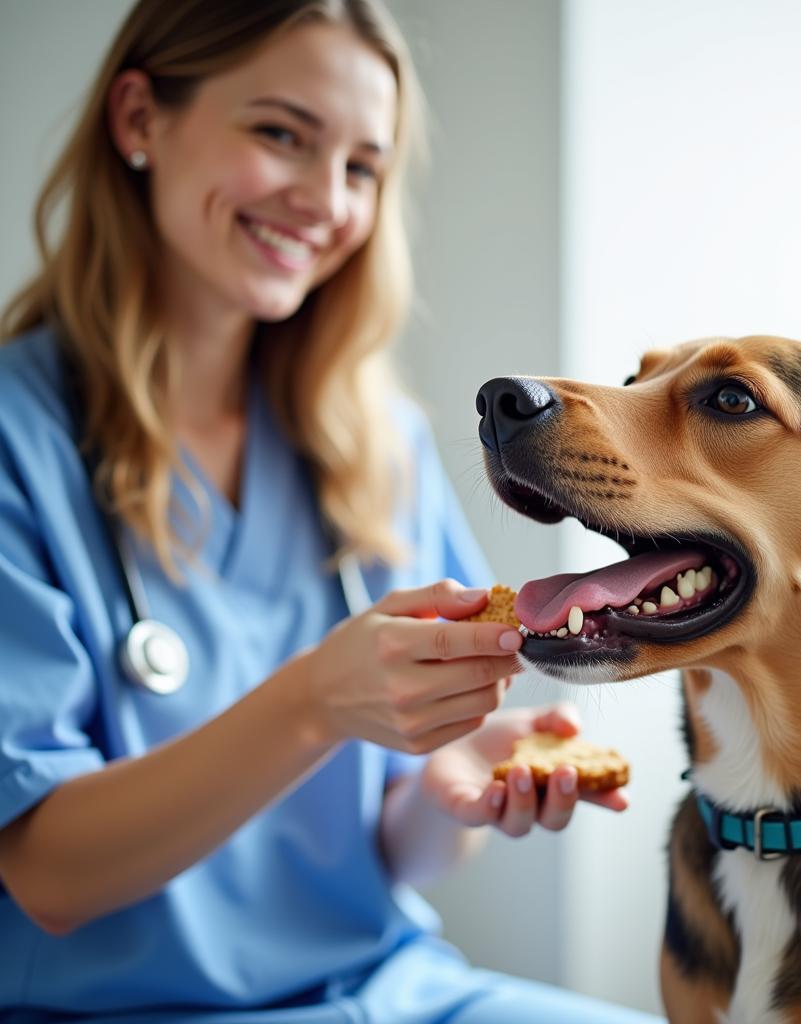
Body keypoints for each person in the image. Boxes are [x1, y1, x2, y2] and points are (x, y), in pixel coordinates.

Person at [0, 1, 664, 1022]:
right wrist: (314, 699)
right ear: (139, 119)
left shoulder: (374, 441)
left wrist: (455, 793)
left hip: (387, 988)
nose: (323, 199)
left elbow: (393, 841)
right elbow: (47, 872)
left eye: (361, 166)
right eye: (280, 134)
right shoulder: (19, 440)